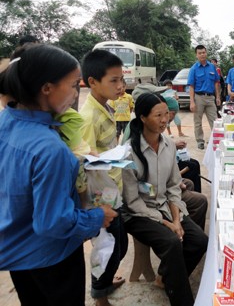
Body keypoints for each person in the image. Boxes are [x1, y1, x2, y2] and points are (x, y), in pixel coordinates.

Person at [0, 44, 117, 306]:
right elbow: (52, 223)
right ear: (46, 88)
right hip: (51, 257)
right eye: (74, 84)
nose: (77, 93)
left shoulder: (5, 122)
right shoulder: (50, 149)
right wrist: (98, 216)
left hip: (17, 252)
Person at [122, 92, 208, 306]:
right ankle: (182, 299)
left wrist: (177, 220)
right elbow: (133, 202)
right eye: (157, 115)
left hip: (163, 206)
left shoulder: (168, 145)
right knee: (172, 243)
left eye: (166, 114)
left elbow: (172, 187)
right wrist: (168, 224)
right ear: (142, 118)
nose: (164, 120)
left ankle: (166, 277)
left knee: (199, 241)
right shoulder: (128, 154)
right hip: (138, 213)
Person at [80, 49, 129, 306]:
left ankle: (105, 282)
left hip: (113, 189)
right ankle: (99, 295)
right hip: (101, 198)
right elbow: (86, 163)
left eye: (122, 79)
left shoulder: (106, 107)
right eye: (114, 80)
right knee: (106, 247)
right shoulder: (88, 117)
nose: (120, 85)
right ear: (92, 82)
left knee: (118, 246)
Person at [187, 45, 221, 149]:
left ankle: (216, 140)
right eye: (200, 53)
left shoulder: (212, 67)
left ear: (206, 53)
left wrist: (218, 97)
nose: (202, 54)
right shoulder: (194, 69)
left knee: (215, 120)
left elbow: (216, 83)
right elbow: (191, 86)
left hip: (210, 98)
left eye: (204, 52)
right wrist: (192, 102)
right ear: (196, 55)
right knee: (198, 121)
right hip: (199, 98)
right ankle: (200, 141)